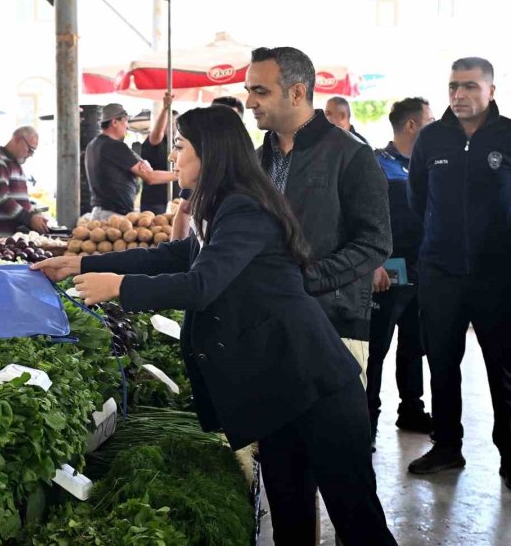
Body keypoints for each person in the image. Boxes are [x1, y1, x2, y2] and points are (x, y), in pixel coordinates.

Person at [34, 105, 396, 545]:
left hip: (314, 384)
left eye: (180, 148)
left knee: (357, 519)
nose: (173, 159)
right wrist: (83, 261)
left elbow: (202, 284)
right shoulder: (219, 205)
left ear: (211, 153)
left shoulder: (245, 209)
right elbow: (174, 256)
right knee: (289, 514)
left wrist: (120, 287)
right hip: (279, 389)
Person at [250, 46, 391, 389]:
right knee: (277, 440)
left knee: (333, 438)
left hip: (334, 324)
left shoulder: (352, 155)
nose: (250, 102)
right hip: (266, 322)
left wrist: (305, 279)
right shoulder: (254, 162)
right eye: (249, 91)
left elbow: (375, 242)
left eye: (260, 91)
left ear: (297, 92)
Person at [407, 57, 511, 486]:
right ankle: (447, 447)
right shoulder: (432, 138)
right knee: (442, 365)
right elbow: (417, 199)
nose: (459, 95)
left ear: (490, 89)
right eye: (453, 86)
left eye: (469, 86)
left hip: (499, 275)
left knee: (504, 368)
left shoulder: (508, 136)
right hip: (441, 274)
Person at [367, 97, 435, 450]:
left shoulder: (428, 167)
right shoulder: (378, 165)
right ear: (412, 125)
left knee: (415, 344)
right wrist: (372, 263)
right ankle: (367, 420)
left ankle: (412, 409)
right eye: (430, 119)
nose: (435, 125)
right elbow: (363, 220)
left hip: (422, 271)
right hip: (387, 273)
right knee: (376, 347)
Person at [171, 96, 246, 240]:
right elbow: (185, 209)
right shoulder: (197, 174)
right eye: (216, 122)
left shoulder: (241, 204)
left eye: (229, 122)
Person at [85, 103, 176, 219]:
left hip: (100, 212)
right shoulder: (115, 146)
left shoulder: (93, 145)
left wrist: (143, 163)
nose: (127, 126)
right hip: (112, 215)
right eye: (125, 121)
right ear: (114, 122)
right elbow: (151, 178)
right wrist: (179, 175)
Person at [0, 126, 49, 238]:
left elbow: (20, 201)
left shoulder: (16, 165)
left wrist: (34, 214)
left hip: (14, 239)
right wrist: (30, 219)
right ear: (18, 139)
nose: (30, 154)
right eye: (30, 149)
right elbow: (2, 199)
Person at [139, 92, 179, 214]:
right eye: (170, 122)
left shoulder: (177, 145)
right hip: (155, 203)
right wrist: (165, 109)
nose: (173, 125)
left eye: (176, 123)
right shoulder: (154, 141)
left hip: (175, 201)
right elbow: (157, 134)